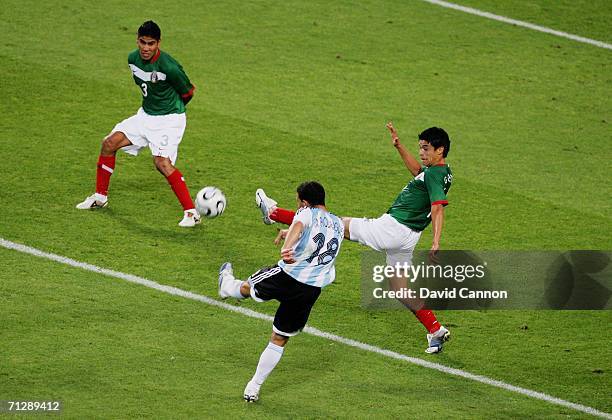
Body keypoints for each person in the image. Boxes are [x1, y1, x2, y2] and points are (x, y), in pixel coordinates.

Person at [255, 122, 453, 353]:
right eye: (420, 147)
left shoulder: (434, 176)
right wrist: (399, 147)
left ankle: (273, 213)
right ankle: (436, 330)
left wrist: (437, 241)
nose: (421, 152)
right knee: (400, 288)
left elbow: (438, 207)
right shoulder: (442, 173)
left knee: (334, 223)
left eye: (426, 148)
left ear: (440, 150)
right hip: (408, 236)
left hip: (391, 228)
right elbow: (419, 173)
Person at [218, 181, 344, 402]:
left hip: (287, 276)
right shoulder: (339, 224)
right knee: (279, 338)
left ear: (305, 202)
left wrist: (288, 246)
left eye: (298, 201)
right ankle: (253, 387)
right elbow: (312, 237)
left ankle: (226, 286)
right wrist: (292, 236)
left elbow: (299, 226)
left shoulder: (307, 213)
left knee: (249, 287)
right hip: (310, 289)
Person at [76, 20, 200, 227]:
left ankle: (191, 213)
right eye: (142, 42)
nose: (146, 48)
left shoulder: (169, 66)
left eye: (151, 43)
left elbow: (188, 92)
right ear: (137, 40)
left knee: (162, 163)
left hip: (169, 119)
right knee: (109, 143)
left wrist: (170, 107)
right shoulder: (132, 59)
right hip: (145, 116)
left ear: (158, 43)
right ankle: (100, 197)